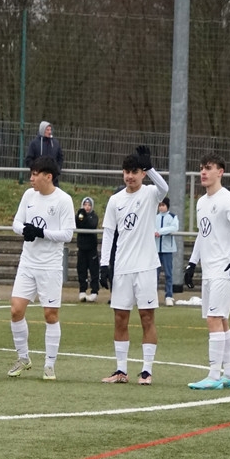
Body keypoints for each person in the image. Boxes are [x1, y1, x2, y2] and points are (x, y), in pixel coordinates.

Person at [98, 146, 168, 386]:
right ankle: (121, 370)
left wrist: (151, 167)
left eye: (135, 172)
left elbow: (165, 188)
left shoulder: (150, 194)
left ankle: (147, 371)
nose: (130, 176)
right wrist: (104, 264)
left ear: (142, 174)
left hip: (146, 267)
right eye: (127, 172)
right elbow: (109, 233)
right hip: (122, 268)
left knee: (147, 317)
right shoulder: (115, 200)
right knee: (120, 318)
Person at [7, 155, 75, 380]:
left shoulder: (63, 200)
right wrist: (25, 230)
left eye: (35, 174)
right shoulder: (29, 196)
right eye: (31, 174)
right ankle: (23, 358)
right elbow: (16, 223)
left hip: (50, 266)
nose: (31, 178)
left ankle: (49, 365)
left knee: (50, 314)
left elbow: (67, 234)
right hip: (28, 263)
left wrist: (41, 232)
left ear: (48, 176)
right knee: (16, 310)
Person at [185, 153, 230, 390]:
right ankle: (229, 374)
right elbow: (203, 234)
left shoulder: (229, 200)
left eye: (208, 168)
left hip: (224, 268)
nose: (203, 172)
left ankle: (213, 376)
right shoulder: (202, 202)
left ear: (220, 172)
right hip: (209, 270)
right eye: (201, 168)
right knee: (221, 319)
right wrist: (192, 263)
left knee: (213, 319)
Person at [25, 121, 65, 187]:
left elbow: (60, 158)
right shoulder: (34, 143)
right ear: (42, 130)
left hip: (53, 179)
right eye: (47, 130)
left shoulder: (55, 143)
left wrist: (57, 169)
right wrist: (36, 170)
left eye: (50, 130)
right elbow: (28, 159)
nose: (49, 132)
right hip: (38, 178)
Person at [156, 197, 180, 306]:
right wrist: (154, 231)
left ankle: (169, 296)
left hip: (167, 250)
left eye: (163, 205)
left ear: (167, 206)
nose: (161, 207)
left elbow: (174, 228)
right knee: (154, 274)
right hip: (156, 249)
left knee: (168, 274)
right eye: (160, 205)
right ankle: (153, 296)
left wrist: (160, 232)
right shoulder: (154, 217)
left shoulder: (173, 217)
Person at [75, 196, 100, 302]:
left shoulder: (94, 216)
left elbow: (91, 225)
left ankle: (94, 291)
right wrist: (81, 215)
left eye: (89, 205)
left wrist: (84, 217)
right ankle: (82, 291)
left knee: (94, 270)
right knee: (81, 270)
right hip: (82, 248)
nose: (87, 207)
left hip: (92, 248)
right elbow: (79, 223)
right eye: (85, 205)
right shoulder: (80, 214)